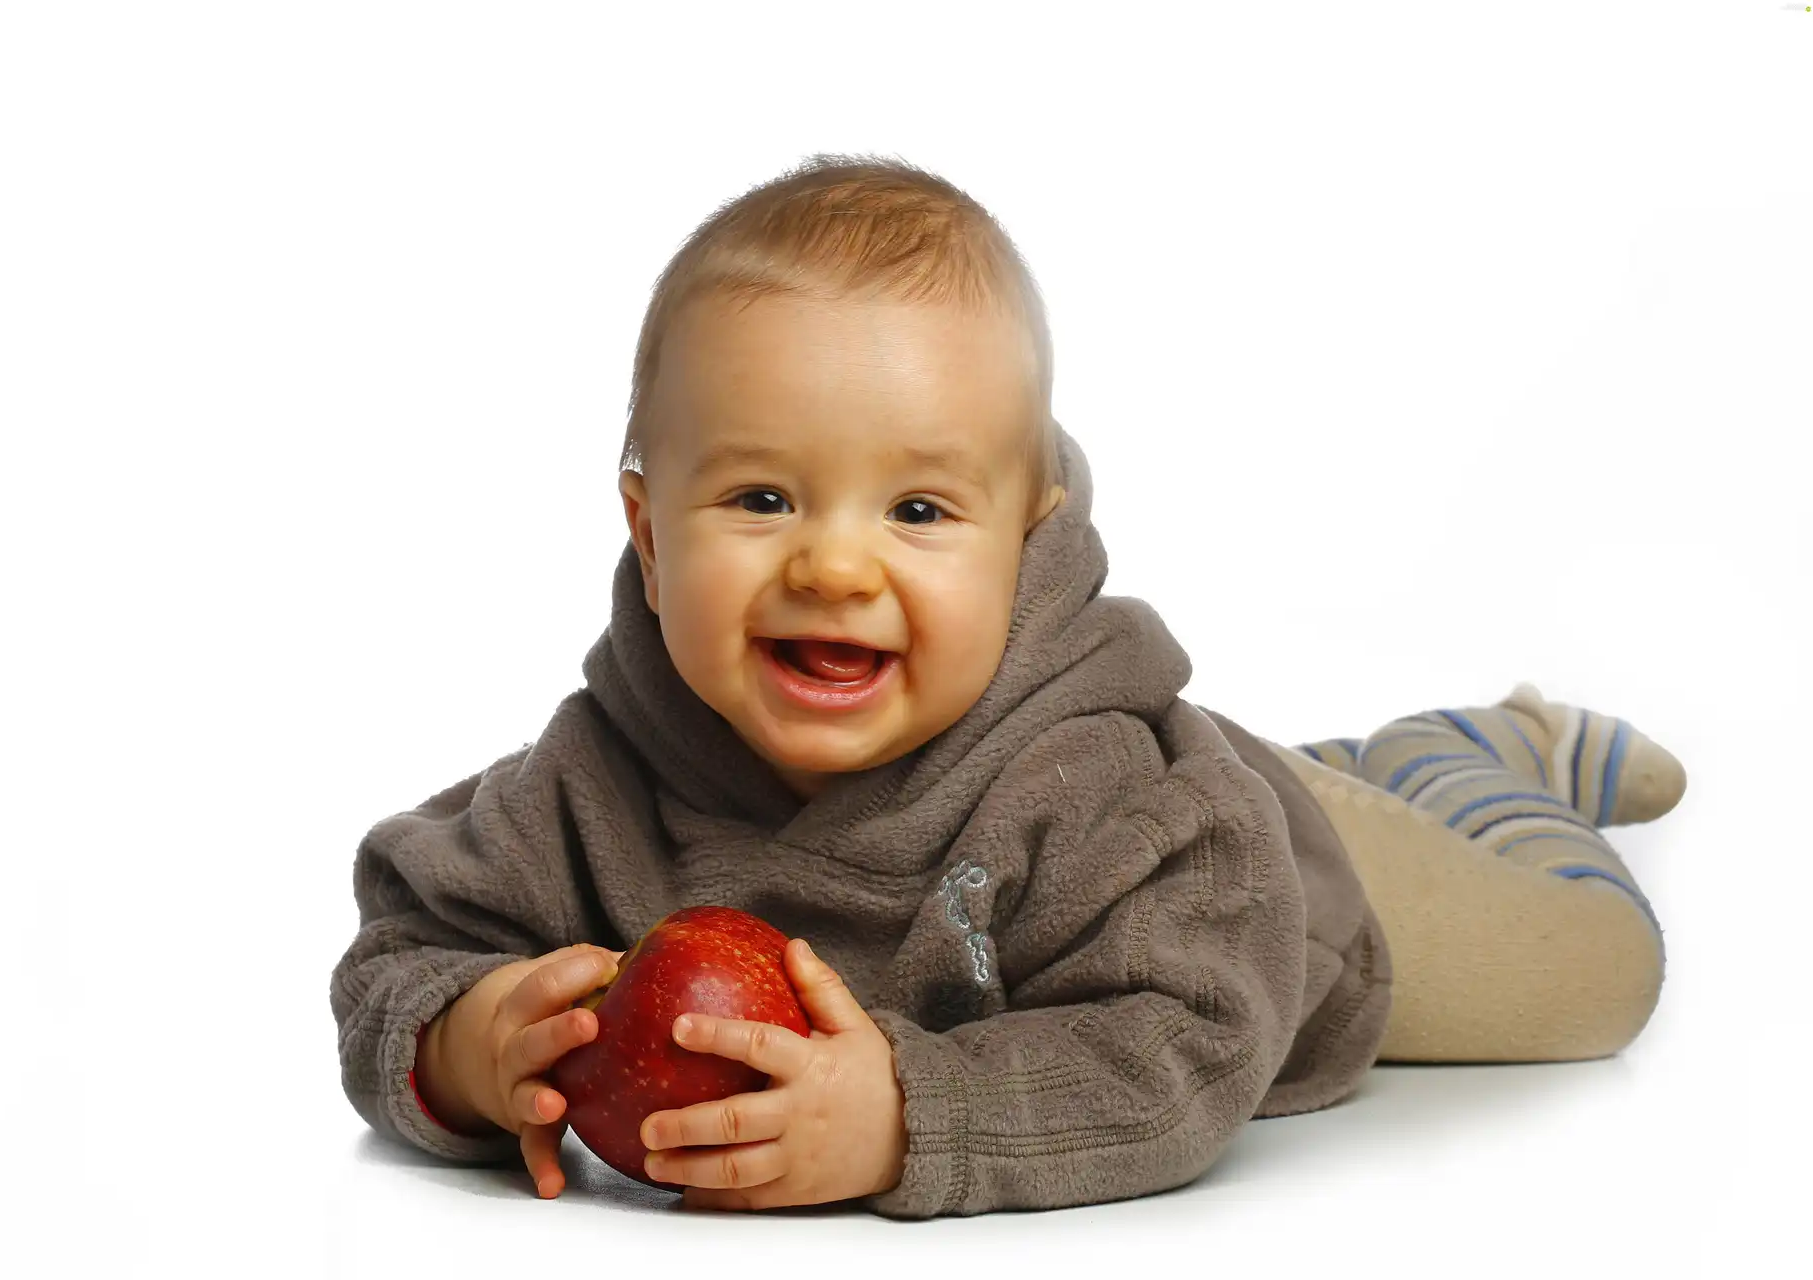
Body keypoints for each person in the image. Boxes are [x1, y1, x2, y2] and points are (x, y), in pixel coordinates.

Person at [329, 154, 1684, 1218]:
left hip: (1298, 895)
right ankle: (1386, 754)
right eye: (760, 496)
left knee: (1594, 982)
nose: (835, 564)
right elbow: (403, 942)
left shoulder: (1104, 791)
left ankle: (1480, 762)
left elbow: (1194, 1048)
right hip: (1209, 800)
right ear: (647, 531)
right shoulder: (595, 781)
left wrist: (913, 1119)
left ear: (1025, 534)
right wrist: (457, 1048)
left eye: (918, 510)